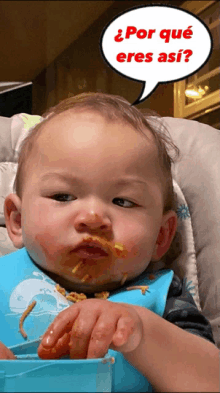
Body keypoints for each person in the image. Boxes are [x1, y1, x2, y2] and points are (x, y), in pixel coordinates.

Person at [0, 93, 218, 392]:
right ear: (16, 220)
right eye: (63, 196)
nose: (92, 218)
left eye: (123, 201)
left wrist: (143, 332)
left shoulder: (164, 299)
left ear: (161, 236)